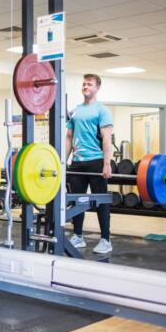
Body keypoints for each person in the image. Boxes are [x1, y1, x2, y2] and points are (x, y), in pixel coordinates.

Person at [66, 73, 113, 254]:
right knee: (77, 200)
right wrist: (64, 161)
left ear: (97, 88)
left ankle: (105, 239)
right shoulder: (75, 111)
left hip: (96, 161)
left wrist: (107, 164)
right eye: (84, 83)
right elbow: (69, 137)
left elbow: (107, 139)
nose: (85, 86)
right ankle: (78, 236)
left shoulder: (102, 110)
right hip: (77, 162)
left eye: (89, 84)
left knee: (100, 201)